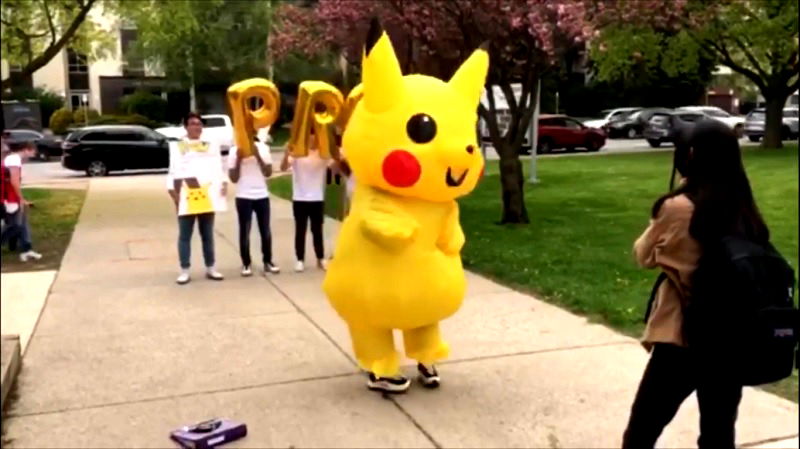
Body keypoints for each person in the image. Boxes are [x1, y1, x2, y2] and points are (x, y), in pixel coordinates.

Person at [623, 120, 769, 448]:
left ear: (690, 156)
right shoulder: (743, 207)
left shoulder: (677, 208)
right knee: (718, 433)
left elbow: (643, 255)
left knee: (643, 428)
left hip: (683, 336)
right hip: (730, 339)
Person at [166, 112, 227, 285]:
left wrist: (222, 184)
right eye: (193, 124)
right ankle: (184, 269)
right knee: (185, 235)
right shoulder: (179, 147)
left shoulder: (209, 146)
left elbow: (217, 168)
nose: (197, 127)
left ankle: (211, 267)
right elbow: (173, 171)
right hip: (187, 195)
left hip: (207, 195)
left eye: (199, 124)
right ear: (186, 126)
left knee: (207, 234)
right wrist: (174, 193)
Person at [280, 129, 336, 272]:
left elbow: (335, 168)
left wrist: (334, 152)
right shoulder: (298, 154)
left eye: (314, 138)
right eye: (310, 138)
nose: (312, 141)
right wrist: (287, 152)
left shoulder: (321, 154)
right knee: (300, 230)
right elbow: (283, 167)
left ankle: (320, 258)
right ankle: (300, 259)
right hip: (300, 198)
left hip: (317, 198)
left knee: (317, 230)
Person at [228, 136, 279, 277]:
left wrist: (257, 155)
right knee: (244, 231)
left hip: (262, 195)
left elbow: (268, 173)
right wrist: (238, 159)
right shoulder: (234, 150)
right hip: (244, 196)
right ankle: (246, 263)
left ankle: (268, 261)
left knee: (265, 230)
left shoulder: (263, 148)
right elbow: (233, 178)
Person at [1, 140, 42, 262]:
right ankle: (25, 248)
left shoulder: (13, 159)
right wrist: (21, 199)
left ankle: (26, 249)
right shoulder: (14, 160)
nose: (34, 155)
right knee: (16, 225)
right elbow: (14, 181)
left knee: (22, 223)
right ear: (26, 149)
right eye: (33, 151)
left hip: (10, 195)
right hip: (9, 197)